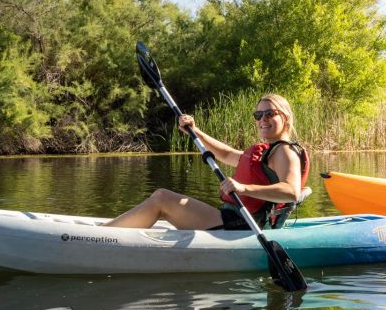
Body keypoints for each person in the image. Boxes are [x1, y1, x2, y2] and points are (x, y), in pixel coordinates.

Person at [104, 93, 309, 230]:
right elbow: (228, 155)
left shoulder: (284, 150)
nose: (262, 119)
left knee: (162, 199)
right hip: (232, 218)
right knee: (161, 198)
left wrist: (243, 188)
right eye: (258, 114)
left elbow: (291, 191)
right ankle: (111, 231)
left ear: (286, 118)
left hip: (243, 225)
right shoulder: (267, 151)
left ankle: (104, 236)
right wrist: (195, 132)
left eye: (269, 113)